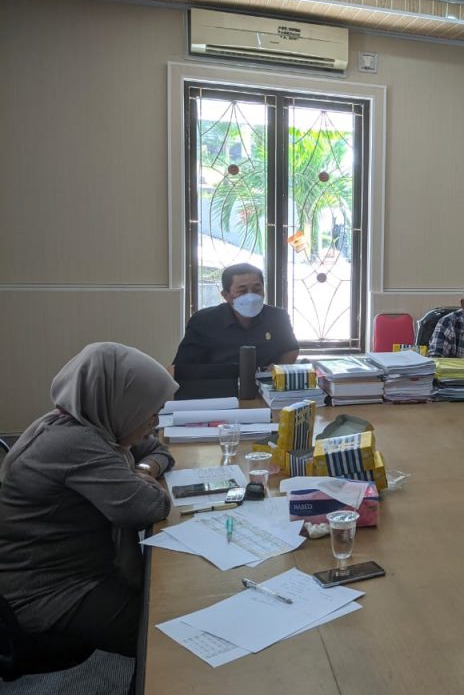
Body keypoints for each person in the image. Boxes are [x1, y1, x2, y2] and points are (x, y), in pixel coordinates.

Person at [0, 342, 178, 658]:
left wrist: (140, 469)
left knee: (169, 604)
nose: (155, 422)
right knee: (167, 636)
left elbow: (158, 451)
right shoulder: (75, 443)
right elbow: (150, 505)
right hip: (47, 591)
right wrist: (140, 481)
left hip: (79, 571)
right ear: (122, 402)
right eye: (150, 412)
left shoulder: (93, 425)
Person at [172, 263, 299, 369]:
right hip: (220, 386)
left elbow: (291, 348)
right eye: (242, 291)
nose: (251, 296)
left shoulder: (278, 317)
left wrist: (278, 367)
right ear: (225, 295)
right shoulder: (203, 321)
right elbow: (182, 367)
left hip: (266, 385)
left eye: (257, 289)